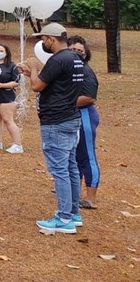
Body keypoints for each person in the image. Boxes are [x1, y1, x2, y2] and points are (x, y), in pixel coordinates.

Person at [20, 23, 85, 234]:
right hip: (71, 117)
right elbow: (57, 83)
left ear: (53, 39)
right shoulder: (74, 58)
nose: (43, 43)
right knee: (70, 166)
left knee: (60, 170)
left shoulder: (57, 59)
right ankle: (73, 214)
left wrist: (35, 69)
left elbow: (37, 86)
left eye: (44, 39)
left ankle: (64, 218)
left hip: (56, 121)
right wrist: (31, 72)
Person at [68, 35, 100, 210]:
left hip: (85, 115)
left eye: (79, 50)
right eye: (71, 49)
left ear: (86, 53)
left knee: (87, 156)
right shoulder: (68, 70)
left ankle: (90, 198)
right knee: (73, 156)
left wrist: (64, 102)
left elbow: (89, 97)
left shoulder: (86, 72)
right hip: (70, 116)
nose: (75, 53)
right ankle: (74, 190)